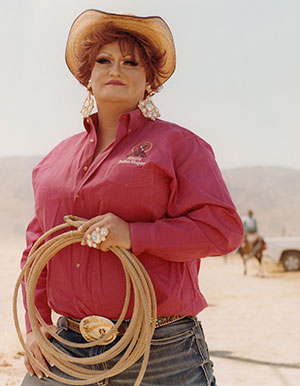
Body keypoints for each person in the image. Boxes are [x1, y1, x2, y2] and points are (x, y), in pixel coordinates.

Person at [20, 9, 244, 386]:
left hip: (161, 351)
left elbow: (223, 231)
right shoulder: (53, 161)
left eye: (130, 62)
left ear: (148, 83)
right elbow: (37, 249)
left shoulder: (179, 146)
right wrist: (34, 326)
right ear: (88, 79)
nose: (116, 70)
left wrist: (135, 235)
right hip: (66, 346)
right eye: (104, 61)